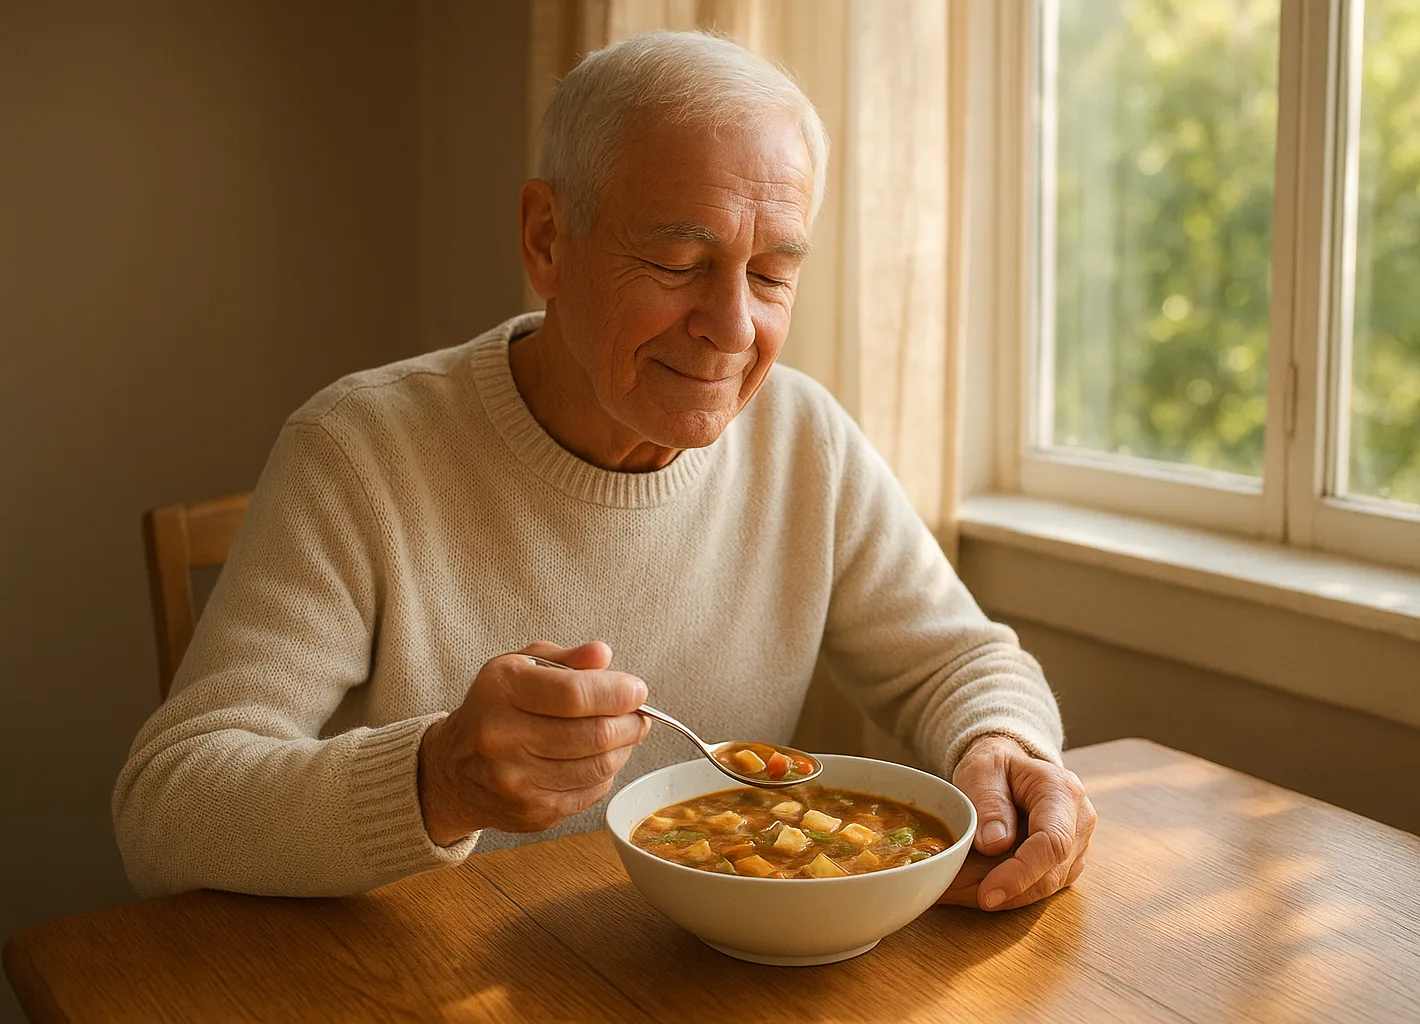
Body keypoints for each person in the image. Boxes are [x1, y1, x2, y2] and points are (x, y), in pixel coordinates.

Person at [113, 30, 1095, 911]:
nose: (732, 328)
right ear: (548, 240)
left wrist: (1003, 748)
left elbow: (961, 662)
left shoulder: (806, 439)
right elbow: (166, 808)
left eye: (771, 275)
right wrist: (434, 776)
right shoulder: (358, 453)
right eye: (677, 261)